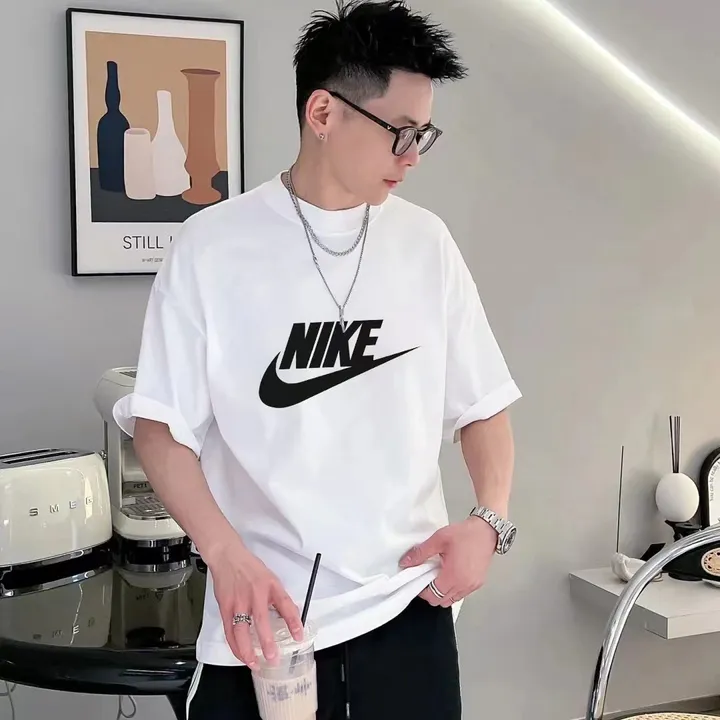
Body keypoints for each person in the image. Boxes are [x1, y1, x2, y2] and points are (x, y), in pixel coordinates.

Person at [113, 1, 521, 718]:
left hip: (408, 607)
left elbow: (483, 405)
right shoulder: (213, 246)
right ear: (323, 113)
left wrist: (490, 520)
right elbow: (161, 428)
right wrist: (224, 554)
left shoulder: (426, 244)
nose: (412, 156)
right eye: (400, 132)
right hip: (264, 622)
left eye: (424, 135)